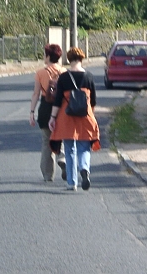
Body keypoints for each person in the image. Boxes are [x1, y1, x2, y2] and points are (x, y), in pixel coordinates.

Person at [49, 47, 100, 191]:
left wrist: (52, 118)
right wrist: (91, 115)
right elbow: (93, 100)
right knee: (84, 147)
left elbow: (58, 100)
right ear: (82, 59)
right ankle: (84, 168)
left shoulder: (63, 77)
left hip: (67, 117)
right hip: (85, 116)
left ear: (69, 59)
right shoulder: (89, 76)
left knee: (70, 149)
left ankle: (72, 182)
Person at [29, 44, 66, 181]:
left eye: (44, 55)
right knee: (61, 137)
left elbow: (36, 94)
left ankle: (48, 175)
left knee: (46, 142)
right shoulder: (64, 72)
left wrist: (32, 112)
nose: (43, 57)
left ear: (49, 57)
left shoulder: (40, 73)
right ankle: (62, 157)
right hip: (61, 109)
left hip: (45, 108)